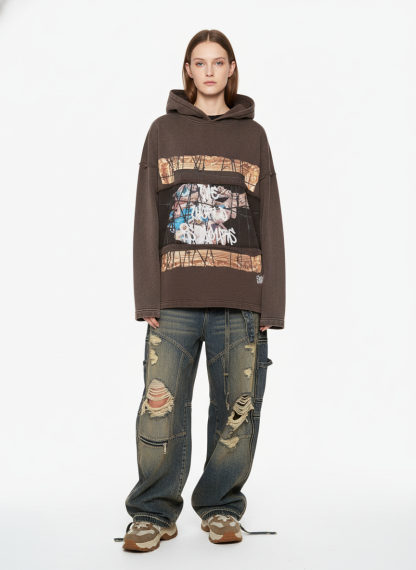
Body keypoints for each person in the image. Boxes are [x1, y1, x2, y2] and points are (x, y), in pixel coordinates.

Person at [120, 29, 286, 552]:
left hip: (241, 299)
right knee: (160, 408)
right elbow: (147, 214)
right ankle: (152, 512)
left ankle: (220, 506)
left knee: (238, 407)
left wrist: (272, 303)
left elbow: (269, 219)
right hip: (174, 301)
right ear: (188, 70)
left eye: (218, 62)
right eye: (200, 62)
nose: (209, 71)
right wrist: (147, 297)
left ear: (231, 69)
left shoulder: (253, 135)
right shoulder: (162, 131)